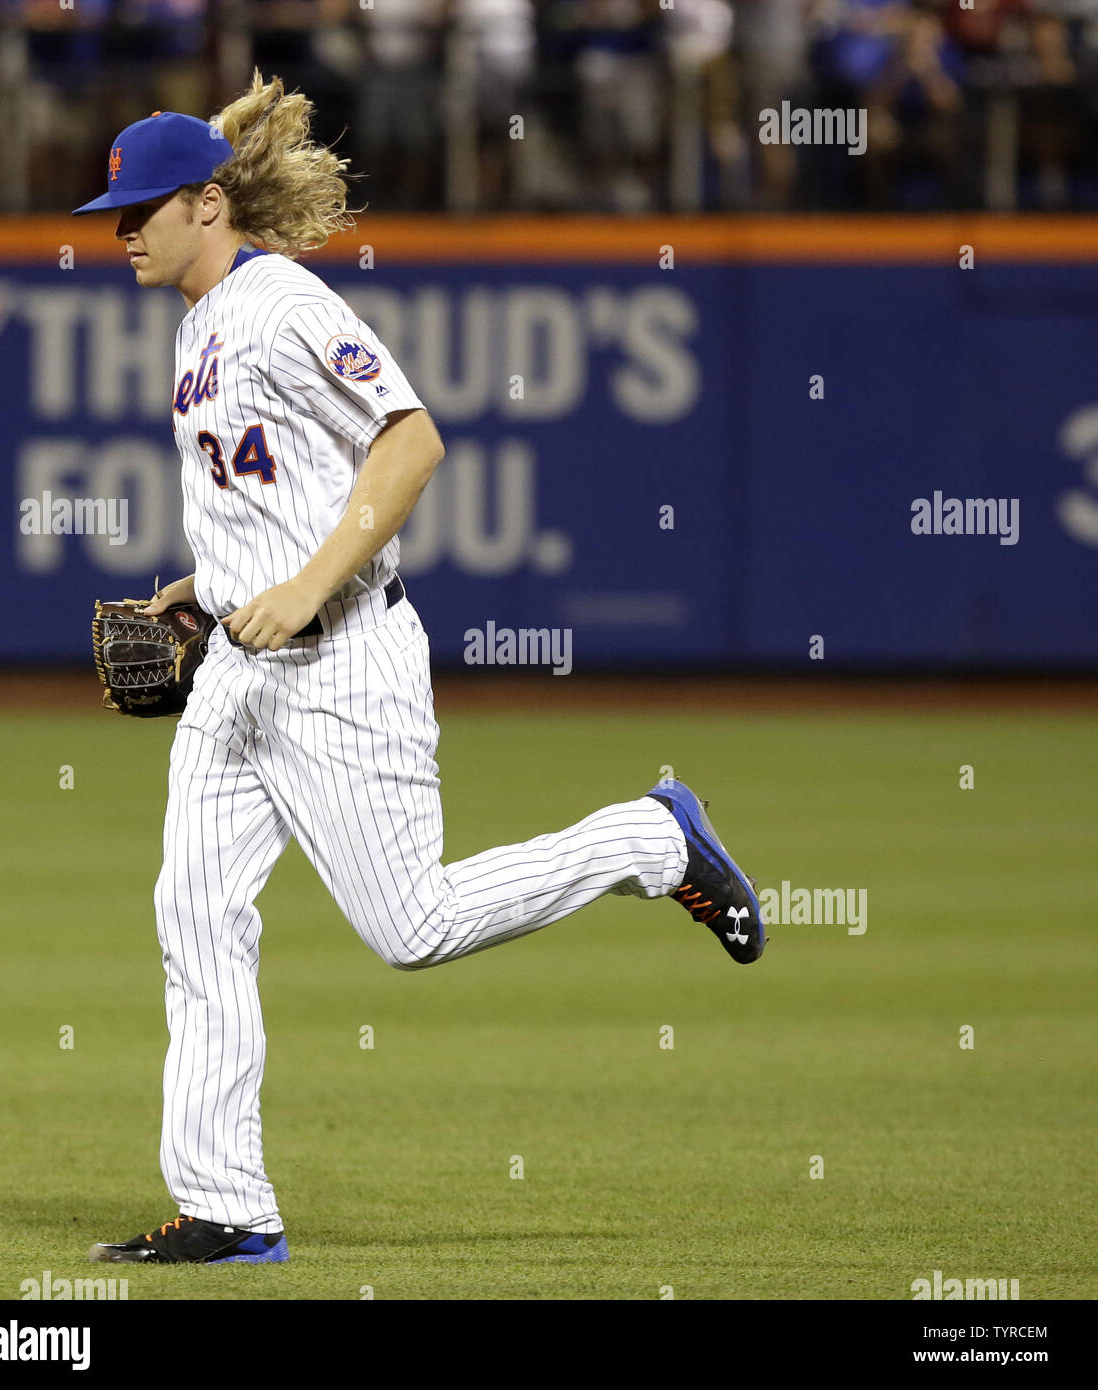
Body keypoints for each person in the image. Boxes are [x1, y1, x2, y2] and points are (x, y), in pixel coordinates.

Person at [70, 71, 766, 1266]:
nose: (119, 231)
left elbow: (412, 439)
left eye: (138, 209)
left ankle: (654, 840)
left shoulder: (282, 302)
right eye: (114, 214)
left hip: (342, 662)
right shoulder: (198, 325)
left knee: (414, 925)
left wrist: (299, 586)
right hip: (240, 672)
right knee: (194, 914)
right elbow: (268, 486)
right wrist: (216, 582)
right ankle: (228, 1205)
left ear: (203, 206)